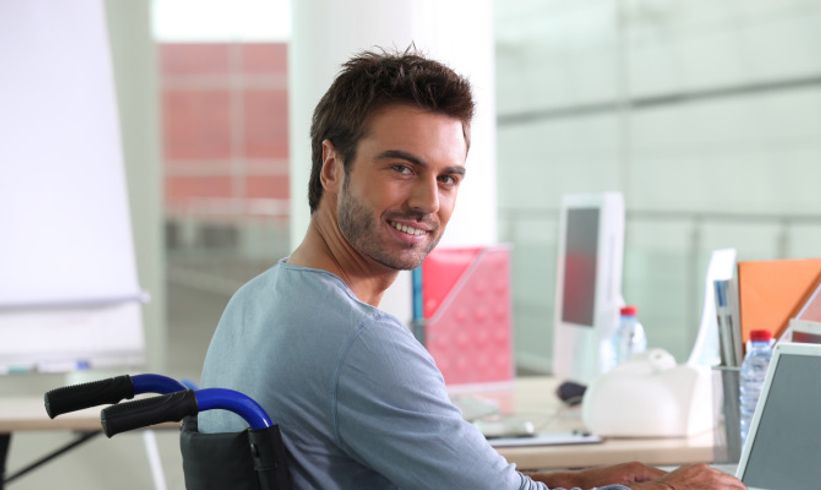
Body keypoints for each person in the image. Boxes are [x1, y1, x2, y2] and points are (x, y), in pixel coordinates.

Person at [199, 48, 745, 490]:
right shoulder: (358, 342)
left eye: (447, 178)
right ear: (331, 166)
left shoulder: (253, 302)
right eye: (402, 168)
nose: (427, 202)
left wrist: (576, 480)